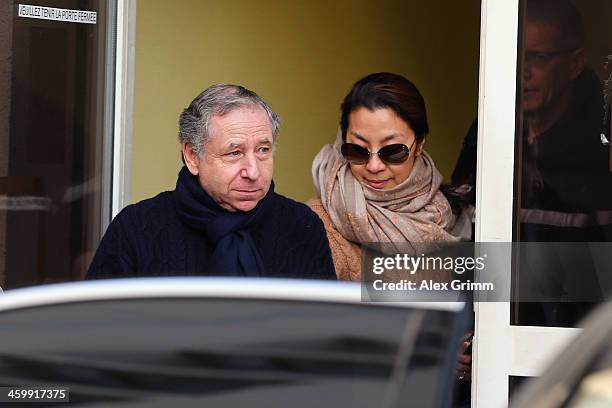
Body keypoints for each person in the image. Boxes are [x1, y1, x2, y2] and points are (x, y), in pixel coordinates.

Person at [452, 0, 612, 325]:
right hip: (491, 341)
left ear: (575, 63)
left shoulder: (601, 141)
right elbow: (464, 238)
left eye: (538, 57)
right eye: (516, 54)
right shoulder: (487, 129)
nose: (522, 71)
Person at [87, 84, 336, 280]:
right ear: (193, 156)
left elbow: (325, 330)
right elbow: (98, 330)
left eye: (263, 150)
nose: (253, 171)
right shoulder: (137, 228)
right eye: (234, 153)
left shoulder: (300, 226)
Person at [309, 72, 472, 281]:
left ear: (420, 144)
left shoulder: (451, 214)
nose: (374, 166)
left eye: (393, 151)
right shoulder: (316, 224)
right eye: (357, 150)